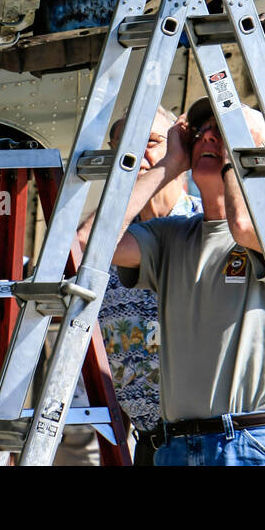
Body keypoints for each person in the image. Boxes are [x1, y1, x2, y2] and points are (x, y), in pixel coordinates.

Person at [94, 97, 265, 467]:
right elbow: (90, 244)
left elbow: (243, 227)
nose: (208, 139)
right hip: (175, 446)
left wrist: (237, 161)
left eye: (223, 134)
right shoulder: (171, 235)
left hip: (253, 439)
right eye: (202, 134)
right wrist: (169, 165)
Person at [96, 105, 201, 466]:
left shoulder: (204, 226)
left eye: (152, 142)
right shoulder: (103, 243)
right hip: (148, 444)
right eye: (123, 146)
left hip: (209, 438)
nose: (137, 155)